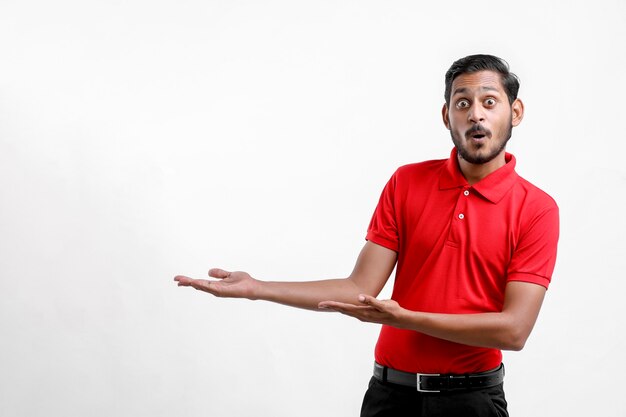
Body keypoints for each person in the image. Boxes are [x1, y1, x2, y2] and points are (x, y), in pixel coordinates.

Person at [175, 54, 559, 417]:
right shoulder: (407, 182)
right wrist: (257, 287)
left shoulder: (537, 208)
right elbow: (359, 287)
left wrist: (407, 319)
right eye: (463, 103)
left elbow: (514, 330)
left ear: (516, 112)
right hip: (389, 398)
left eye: (489, 102)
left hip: (471, 402)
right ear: (446, 116)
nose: (476, 114)